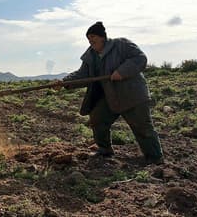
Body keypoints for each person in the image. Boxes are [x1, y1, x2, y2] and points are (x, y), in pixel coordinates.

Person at [58, 21, 163, 165]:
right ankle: (104, 149)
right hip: (110, 96)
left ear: (103, 37)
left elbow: (140, 58)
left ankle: (154, 157)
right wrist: (64, 82)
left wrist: (122, 71)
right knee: (97, 119)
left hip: (132, 94)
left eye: (93, 37)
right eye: (88, 38)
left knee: (142, 127)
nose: (91, 40)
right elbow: (83, 74)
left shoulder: (121, 45)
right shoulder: (91, 55)